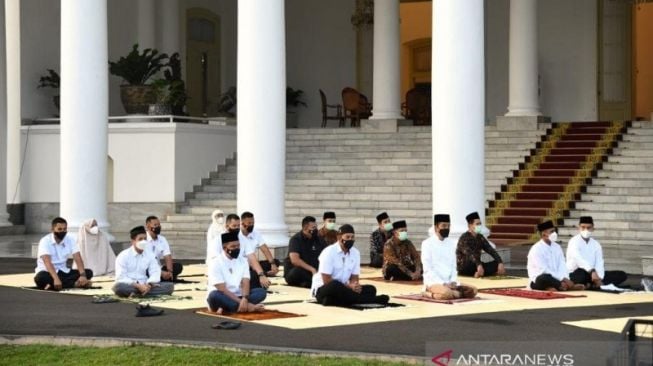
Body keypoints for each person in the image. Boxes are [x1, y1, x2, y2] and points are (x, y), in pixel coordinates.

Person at [311, 224, 389, 307]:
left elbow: (354, 277)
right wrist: (348, 286)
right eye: (347, 237)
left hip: (345, 289)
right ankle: (371, 300)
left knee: (371, 289)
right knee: (335, 285)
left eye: (352, 237)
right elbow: (326, 281)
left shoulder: (355, 253)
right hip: (324, 289)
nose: (350, 239)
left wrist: (355, 286)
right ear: (339, 238)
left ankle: (334, 300)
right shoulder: (328, 252)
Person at [206, 231, 266, 313]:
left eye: (238, 246)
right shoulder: (215, 262)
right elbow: (222, 289)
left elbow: (245, 281)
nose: (236, 248)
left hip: (239, 295)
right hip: (223, 295)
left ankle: (230, 308)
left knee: (261, 292)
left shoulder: (243, 260)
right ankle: (246, 308)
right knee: (214, 295)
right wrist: (244, 303)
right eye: (233, 246)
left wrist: (245, 298)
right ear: (224, 248)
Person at [422, 214, 477, 300]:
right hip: (434, 282)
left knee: (473, 290)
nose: (446, 228)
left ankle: (454, 293)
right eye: (443, 226)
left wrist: (453, 281)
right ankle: (427, 293)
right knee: (446, 294)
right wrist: (443, 283)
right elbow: (428, 269)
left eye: (448, 226)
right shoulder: (427, 244)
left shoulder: (452, 244)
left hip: (450, 282)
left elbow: (453, 266)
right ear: (436, 228)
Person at [566, 216, 627, 289]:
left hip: (594, 275)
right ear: (579, 228)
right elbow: (579, 259)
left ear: (593, 229)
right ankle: (591, 284)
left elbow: (599, 262)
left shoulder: (596, 244)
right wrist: (592, 271)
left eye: (588, 228)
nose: (586, 230)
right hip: (577, 273)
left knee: (621, 275)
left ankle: (591, 285)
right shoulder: (574, 241)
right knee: (582, 274)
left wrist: (599, 278)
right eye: (583, 227)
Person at [113, 226, 174, 297]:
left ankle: (138, 294)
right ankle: (142, 293)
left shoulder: (149, 254)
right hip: (130, 285)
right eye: (140, 239)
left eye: (145, 239)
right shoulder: (123, 255)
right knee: (119, 287)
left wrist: (149, 284)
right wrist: (138, 286)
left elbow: (155, 271)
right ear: (133, 241)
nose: (143, 241)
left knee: (169, 287)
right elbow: (121, 277)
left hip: (146, 284)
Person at [34, 217, 93, 290]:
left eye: (64, 229)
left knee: (88, 272)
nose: (62, 231)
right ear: (52, 230)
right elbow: (47, 262)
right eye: (59, 229)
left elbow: (77, 258)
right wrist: (56, 279)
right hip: (48, 272)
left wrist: (83, 276)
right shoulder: (45, 241)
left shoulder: (70, 239)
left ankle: (53, 285)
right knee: (40, 278)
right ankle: (74, 284)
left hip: (64, 271)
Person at [528, 220, 584, 291]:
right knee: (543, 278)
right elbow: (544, 270)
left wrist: (565, 278)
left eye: (554, 231)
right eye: (551, 232)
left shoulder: (557, 247)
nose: (554, 233)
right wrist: (563, 279)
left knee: (578, 273)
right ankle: (562, 286)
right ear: (543, 234)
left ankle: (556, 286)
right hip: (539, 279)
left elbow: (562, 265)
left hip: (558, 278)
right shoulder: (536, 249)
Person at [456, 211, 506, 277]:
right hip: (465, 266)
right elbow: (470, 254)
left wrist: (500, 262)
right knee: (472, 265)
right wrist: (479, 265)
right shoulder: (464, 238)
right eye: (477, 224)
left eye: (480, 224)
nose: (479, 226)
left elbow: (490, 249)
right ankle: (479, 271)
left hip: (477, 265)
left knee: (496, 264)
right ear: (470, 225)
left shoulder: (480, 237)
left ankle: (478, 272)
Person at [239, 212, 280, 289]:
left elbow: (264, 249)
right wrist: (261, 274)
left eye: (253, 223)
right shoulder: (238, 236)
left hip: (254, 263)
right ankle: (262, 274)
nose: (251, 225)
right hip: (242, 266)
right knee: (254, 275)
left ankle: (263, 273)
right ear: (242, 223)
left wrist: (273, 264)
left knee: (275, 262)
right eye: (249, 223)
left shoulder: (255, 233)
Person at [284, 216, 327, 288]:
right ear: (305, 228)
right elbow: (295, 260)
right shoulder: (296, 239)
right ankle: (314, 283)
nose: (316, 230)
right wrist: (312, 269)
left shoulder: (319, 239)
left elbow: (327, 254)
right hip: (300, 271)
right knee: (297, 272)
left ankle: (310, 283)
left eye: (316, 227)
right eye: (313, 228)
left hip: (315, 271)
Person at [145, 216, 183, 281]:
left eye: (159, 224)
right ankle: (161, 277)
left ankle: (166, 277)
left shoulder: (162, 239)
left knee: (178, 267)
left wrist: (170, 271)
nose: (158, 227)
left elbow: (167, 256)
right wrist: (160, 273)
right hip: (147, 268)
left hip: (159, 267)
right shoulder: (143, 239)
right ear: (148, 226)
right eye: (155, 225)